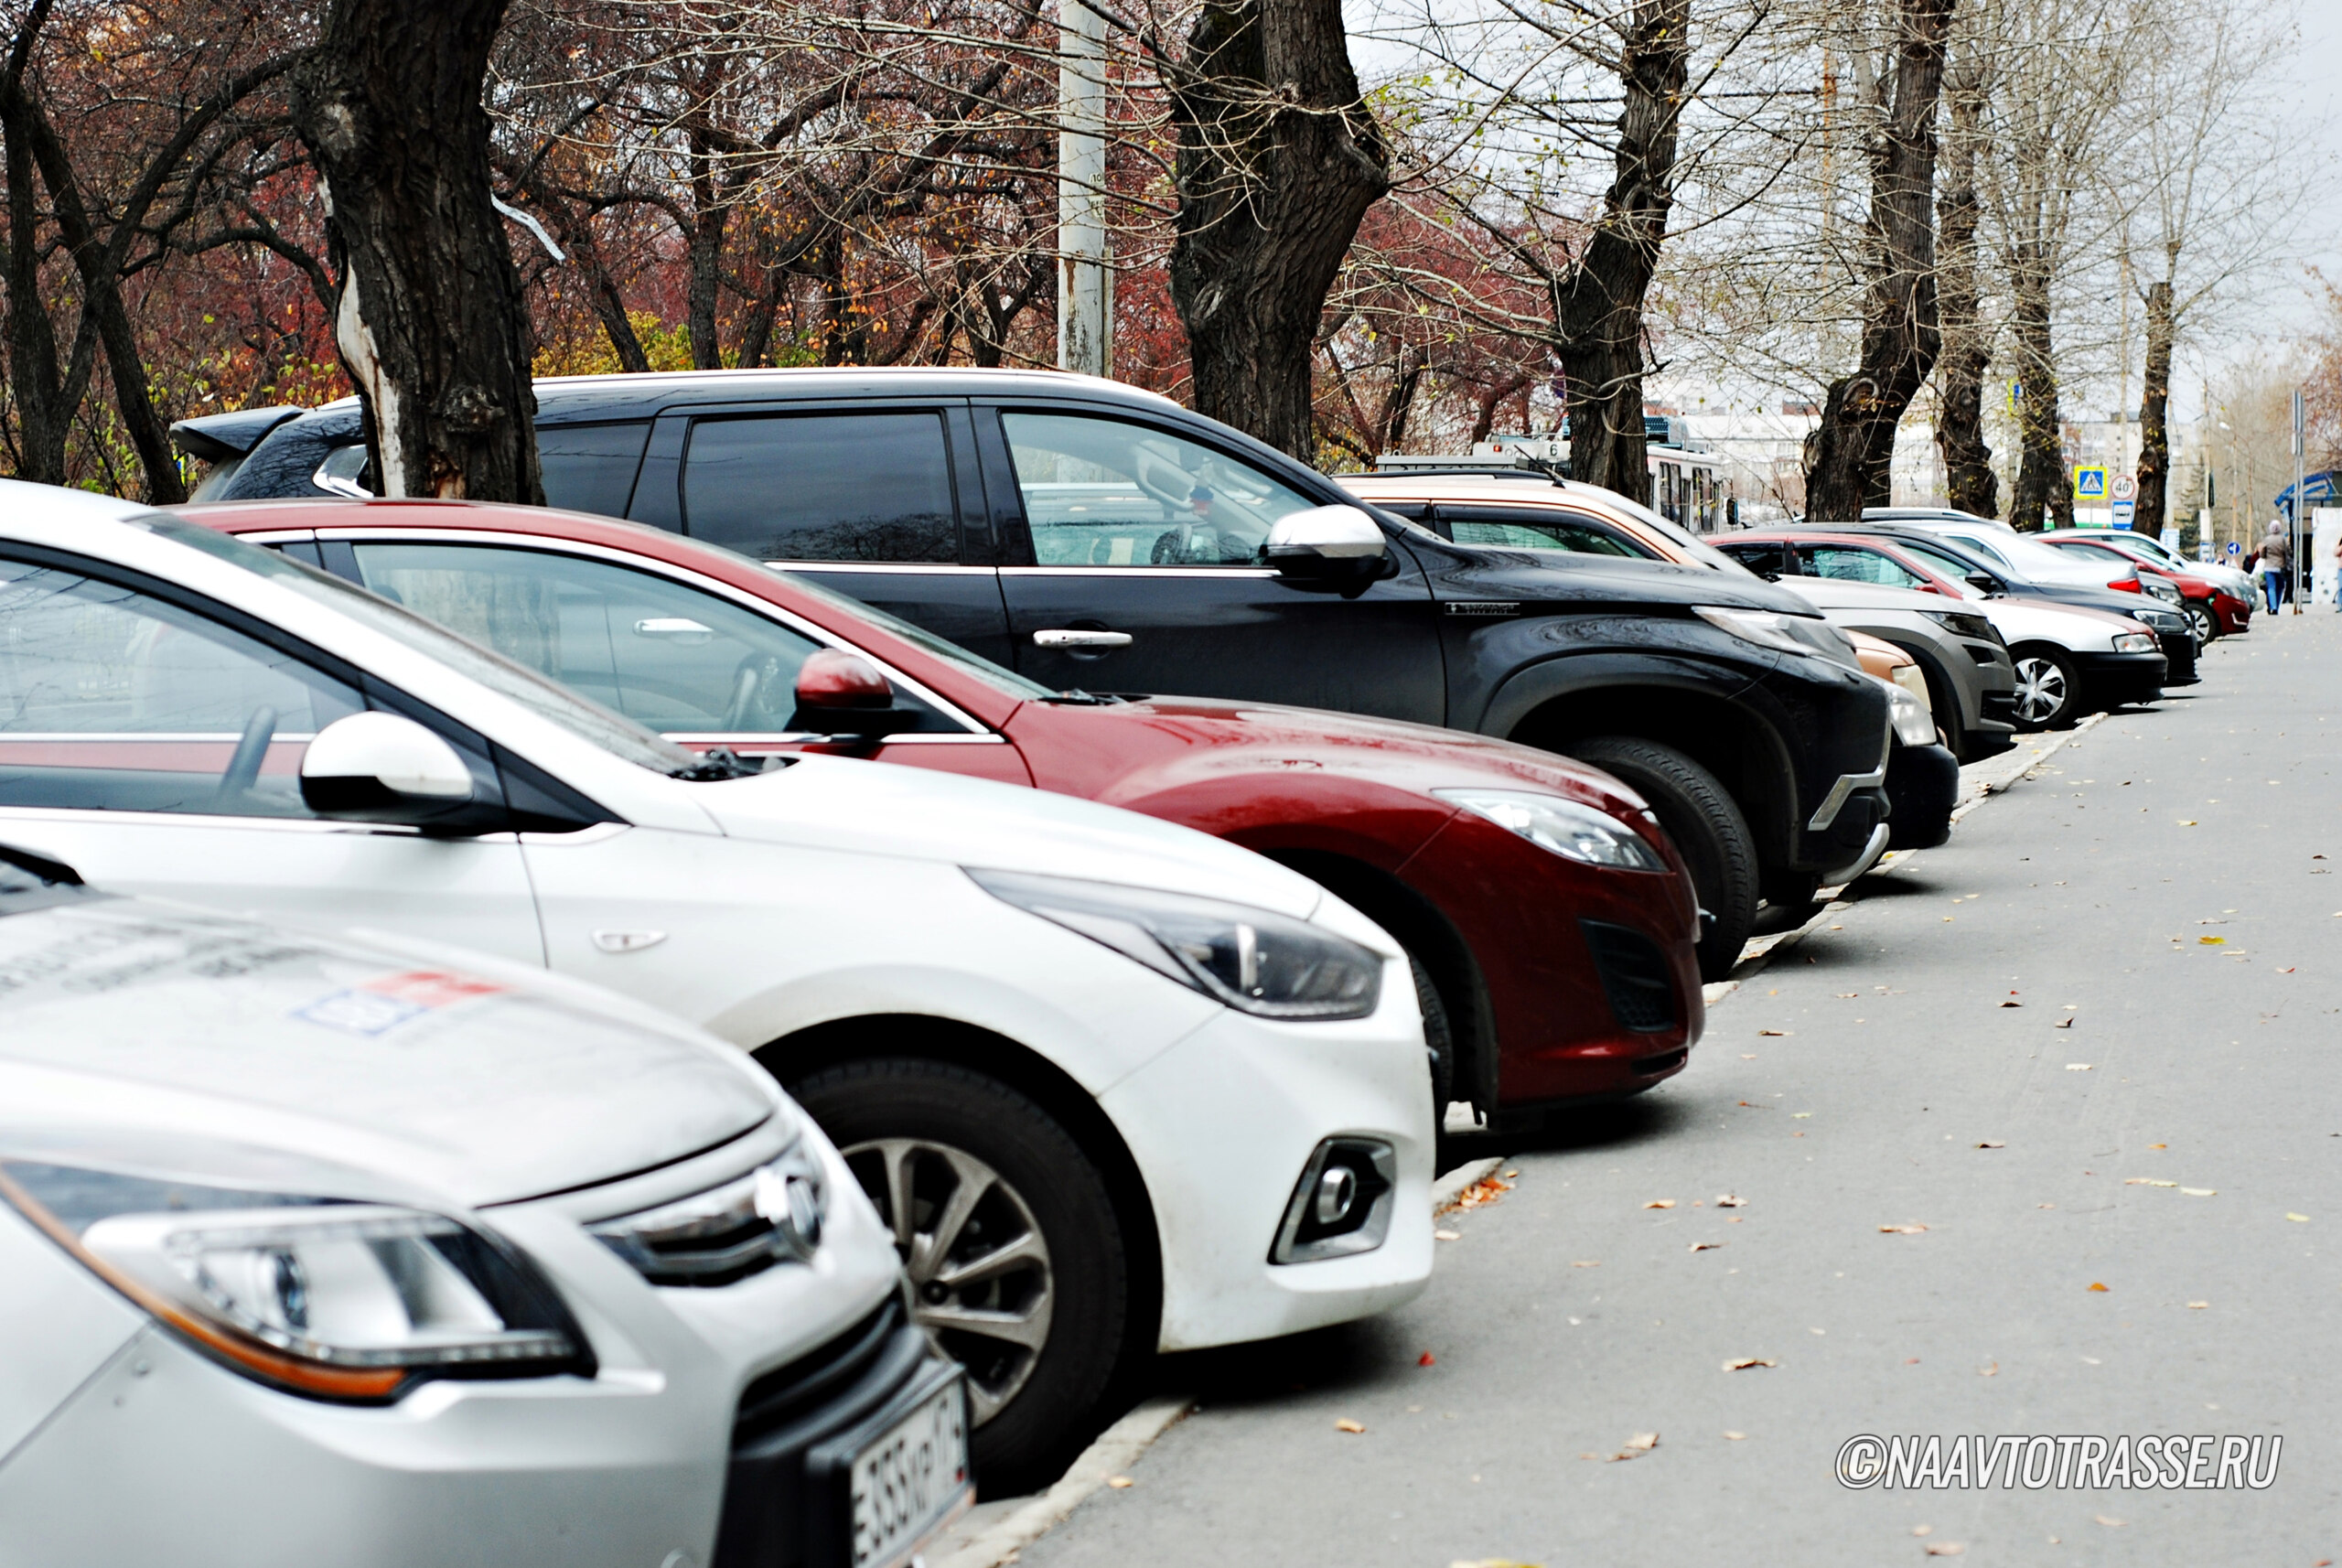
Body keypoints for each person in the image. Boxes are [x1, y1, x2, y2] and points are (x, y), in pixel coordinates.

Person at [2259, 523, 2291, 613]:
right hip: (2280, 567)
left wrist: (2266, 556)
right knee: (2280, 587)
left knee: (2271, 587)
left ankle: (2273, 607)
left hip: (2269, 567)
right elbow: (2288, 551)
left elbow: (2262, 554)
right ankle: (2277, 605)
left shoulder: (2267, 540)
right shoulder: (2283, 539)